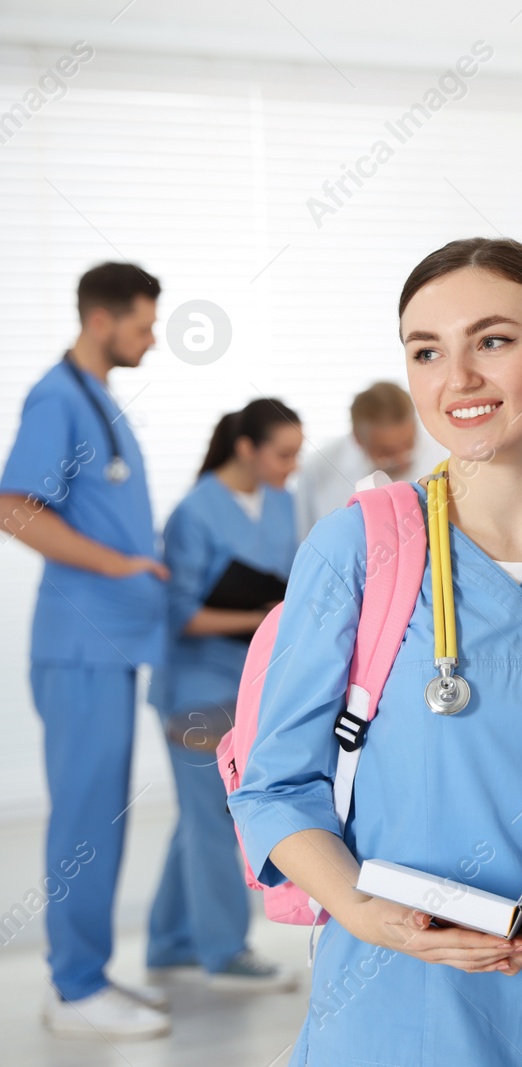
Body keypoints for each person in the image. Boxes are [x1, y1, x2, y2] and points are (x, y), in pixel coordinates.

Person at [229, 237, 522, 1066]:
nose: (457, 378)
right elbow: (275, 786)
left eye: (493, 340)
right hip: (391, 1010)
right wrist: (369, 916)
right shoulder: (360, 549)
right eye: (426, 351)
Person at [0, 262, 173, 1038]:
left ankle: (91, 975)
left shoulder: (96, 399)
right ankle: (73, 990)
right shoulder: (56, 396)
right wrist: (117, 565)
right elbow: (12, 505)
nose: (152, 337)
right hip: (78, 647)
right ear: (102, 320)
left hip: (109, 645)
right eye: (143, 324)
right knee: (82, 817)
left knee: (101, 815)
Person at [145, 399, 304, 993]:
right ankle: (226, 951)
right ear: (247, 449)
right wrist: (255, 614)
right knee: (217, 816)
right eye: (283, 454)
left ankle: (167, 941)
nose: (293, 466)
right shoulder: (195, 511)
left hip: (247, 685)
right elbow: (180, 614)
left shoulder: (283, 502)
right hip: (195, 688)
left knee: (197, 820)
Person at [294, 381, 446, 538]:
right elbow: (307, 541)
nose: (401, 460)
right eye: (386, 452)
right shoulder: (318, 469)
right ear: (358, 438)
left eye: (408, 445)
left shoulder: (445, 454)